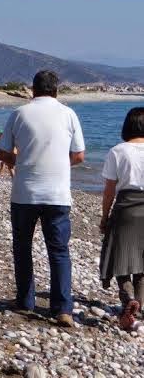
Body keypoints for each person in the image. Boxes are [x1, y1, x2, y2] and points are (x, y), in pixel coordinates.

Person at [0, 70, 85, 327]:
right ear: (56, 90)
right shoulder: (69, 114)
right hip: (57, 194)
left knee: (22, 248)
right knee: (59, 251)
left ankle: (25, 300)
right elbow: (79, 155)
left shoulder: (20, 113)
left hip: (25, 192)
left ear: (32, 90)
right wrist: (58, 166)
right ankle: (62, 309)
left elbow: (3, 153)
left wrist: (23, 163)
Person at [99, 107, 144, 331]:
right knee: (142, 263)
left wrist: (104, 217)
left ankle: (127, 302)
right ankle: (139, 306)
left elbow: (109, 191)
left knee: (119, 257)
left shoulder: (118, 151)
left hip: (126, 208)